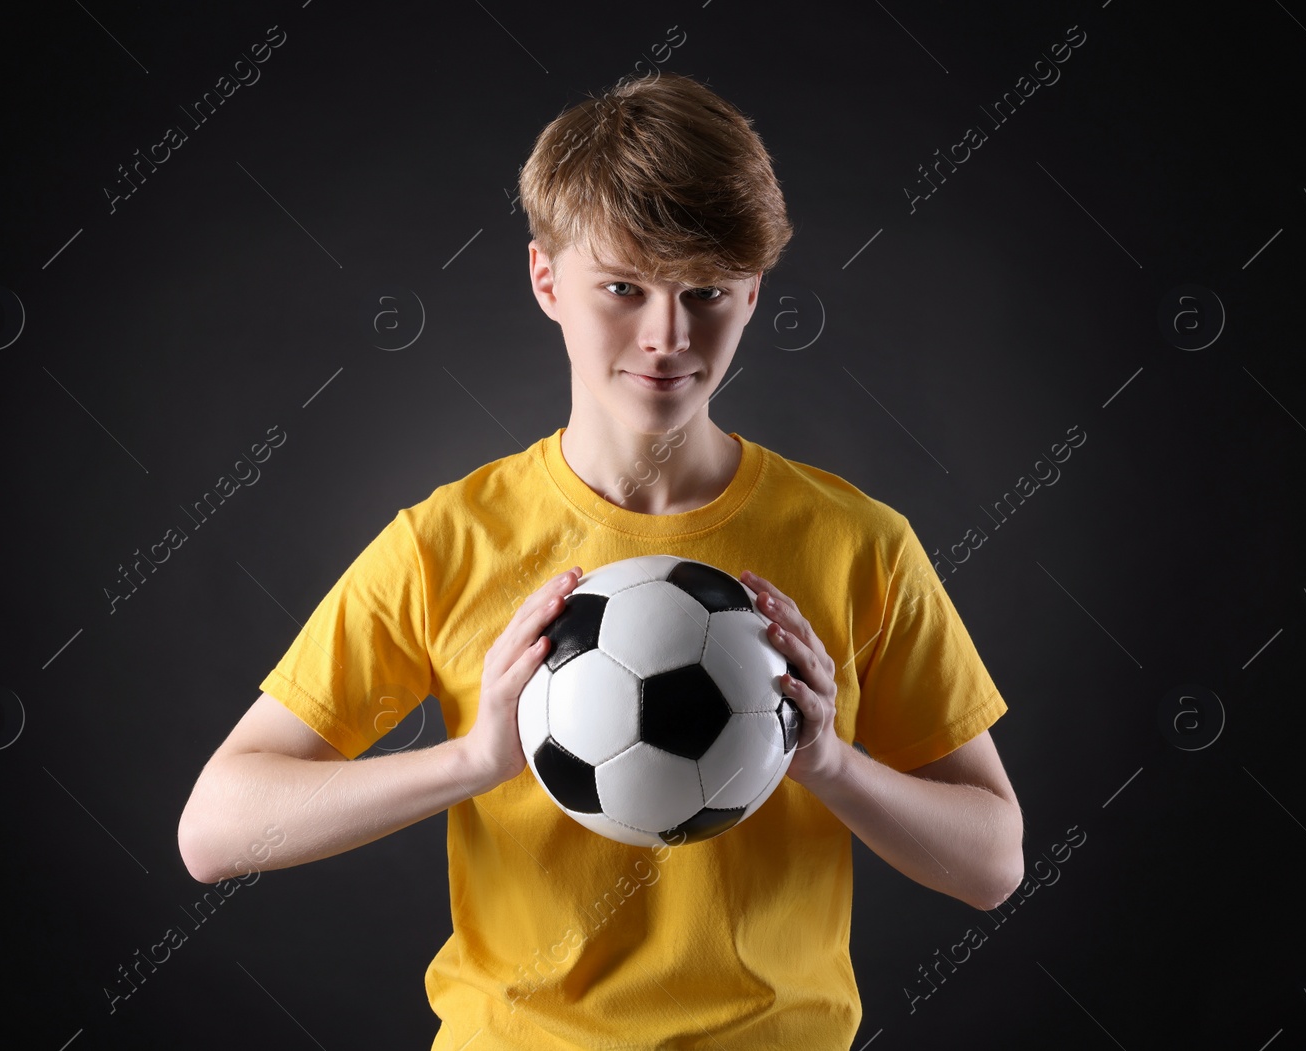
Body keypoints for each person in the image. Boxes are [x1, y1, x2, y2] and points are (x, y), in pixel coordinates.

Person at [177, 71, 1022, 1048]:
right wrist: (470, 760)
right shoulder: (449, 541)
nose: (665, 337)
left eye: (703, 292)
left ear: (752, 292)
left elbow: (992, 861)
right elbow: (215, 831)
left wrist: (830, 762)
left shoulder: (858, 542)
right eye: (622, 287)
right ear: (546, 279)